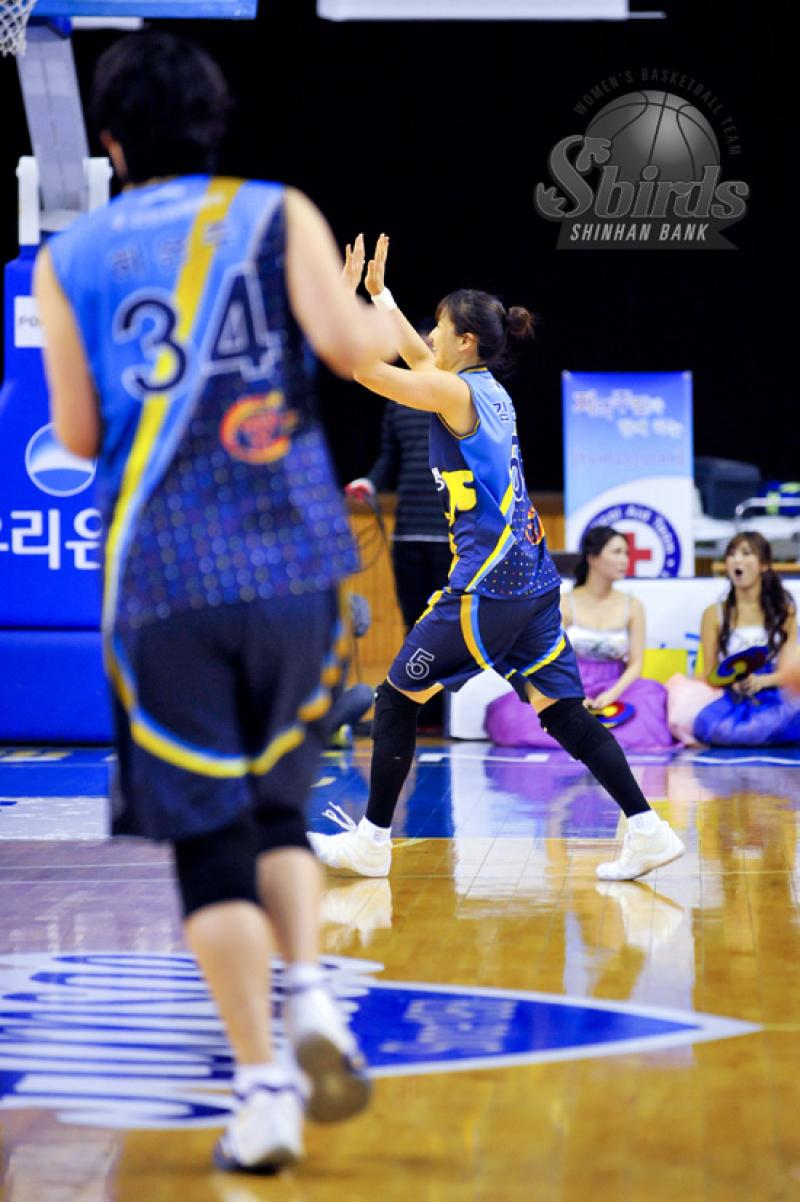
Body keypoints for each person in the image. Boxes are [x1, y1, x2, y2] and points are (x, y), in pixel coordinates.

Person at [34, 31, 396, 1175]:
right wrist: (377, 316)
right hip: (294, 570)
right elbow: (347, 349)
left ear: (109, 142)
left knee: (208, 843)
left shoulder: (69, 256)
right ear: (212, 119)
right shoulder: (277, 211)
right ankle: (311, 998)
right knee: (278, 814)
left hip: (162, 582)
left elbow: (76, 434)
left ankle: (262, 1088)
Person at [309, 234, 684, 884]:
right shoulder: (483, 390)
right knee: (561, 711)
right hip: (533, 581)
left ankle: (372, 843)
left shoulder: (456, 395)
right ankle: (648, 829)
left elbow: (367, 372)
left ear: (465, 342)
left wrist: (341, 306)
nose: (429, 336)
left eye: (438, 327)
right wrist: (380, 297)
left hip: (489, 586)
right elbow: (417, 356)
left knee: (395, 698)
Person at [343, 237, 451, 731]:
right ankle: (416, 716)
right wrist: (368, 482)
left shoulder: (459, 394)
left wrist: (365, 297)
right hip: (409, 530)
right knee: (414, 624)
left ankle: (448, 715)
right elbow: (389, 458)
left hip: (454, 534)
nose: (425, 347)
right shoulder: (398, 399)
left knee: (447, 628)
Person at [485, 526, 674, 750]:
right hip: (569, 683)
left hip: (615, 684)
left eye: (626, 553)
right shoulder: (565, 602)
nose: (624, 560)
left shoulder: (633, 606)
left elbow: (636, 665)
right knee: (516, 716)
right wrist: (573, 696)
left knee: (651, 699)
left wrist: (612, 695)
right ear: (592, 557)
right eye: (616, 552)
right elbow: (549, 657)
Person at [667, 532, 800, 746]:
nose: (737, 560)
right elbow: (710, 674)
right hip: (733, 695)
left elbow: (789, 671)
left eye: (746, 553)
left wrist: (762, 681)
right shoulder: (714, 614)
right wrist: (733, 681)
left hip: (775, 693)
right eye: (731, 554)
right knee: (714, 725)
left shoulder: (784, 612)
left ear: (764, 565)